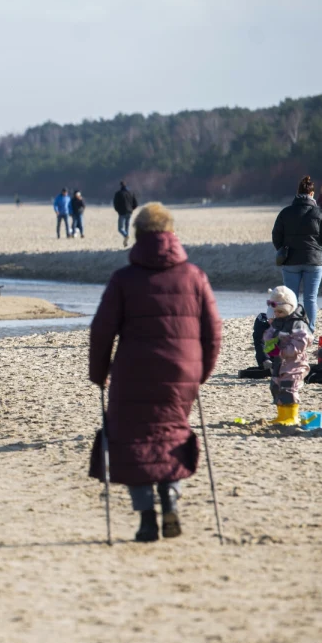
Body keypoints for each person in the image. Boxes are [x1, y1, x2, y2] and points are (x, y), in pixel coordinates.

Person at [88, 203, 222, 543]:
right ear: (172, 233)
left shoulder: (123, 279)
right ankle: (171, 497)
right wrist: (201, 372)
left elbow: (101, 331)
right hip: (182, 372)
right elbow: (213, 331)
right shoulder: (194, 276)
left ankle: (147, 517)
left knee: (133, 440)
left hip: (132, 371)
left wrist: (98, 372)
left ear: (137, 236)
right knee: (172, 433)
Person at [272, 175, 322, 331]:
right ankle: (309, 331)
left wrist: (283, 249)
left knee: (290, 299)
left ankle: (290, 329)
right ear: (312, 194)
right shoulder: (319, 213)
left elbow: (276, 236)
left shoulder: (286, 213)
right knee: (310, 299)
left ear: (297, 192)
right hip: (314, 261)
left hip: (291, 261)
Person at [263, 286, 312, 424]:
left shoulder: (298, 323)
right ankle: (281, 415)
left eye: (280, 311)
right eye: (275, 311)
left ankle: (291, 415)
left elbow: (302, 343)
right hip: (280, 362)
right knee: (276, 386)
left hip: (295, 362)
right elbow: (269, 334)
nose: (277, 314)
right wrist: (269, 343)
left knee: (289, 387)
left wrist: (283, 351)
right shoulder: (278, 322)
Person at [112, 181, 138, 247]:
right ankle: (126, 241)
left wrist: (118, 210)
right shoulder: (131, 193)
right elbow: (136, 203)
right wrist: (132, 209)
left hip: (122, 212)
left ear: (120, 186)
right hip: (129, 212)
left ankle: (126, 236)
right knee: (127, 227)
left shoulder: (118, 193)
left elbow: (115, 203)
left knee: (120, 228)